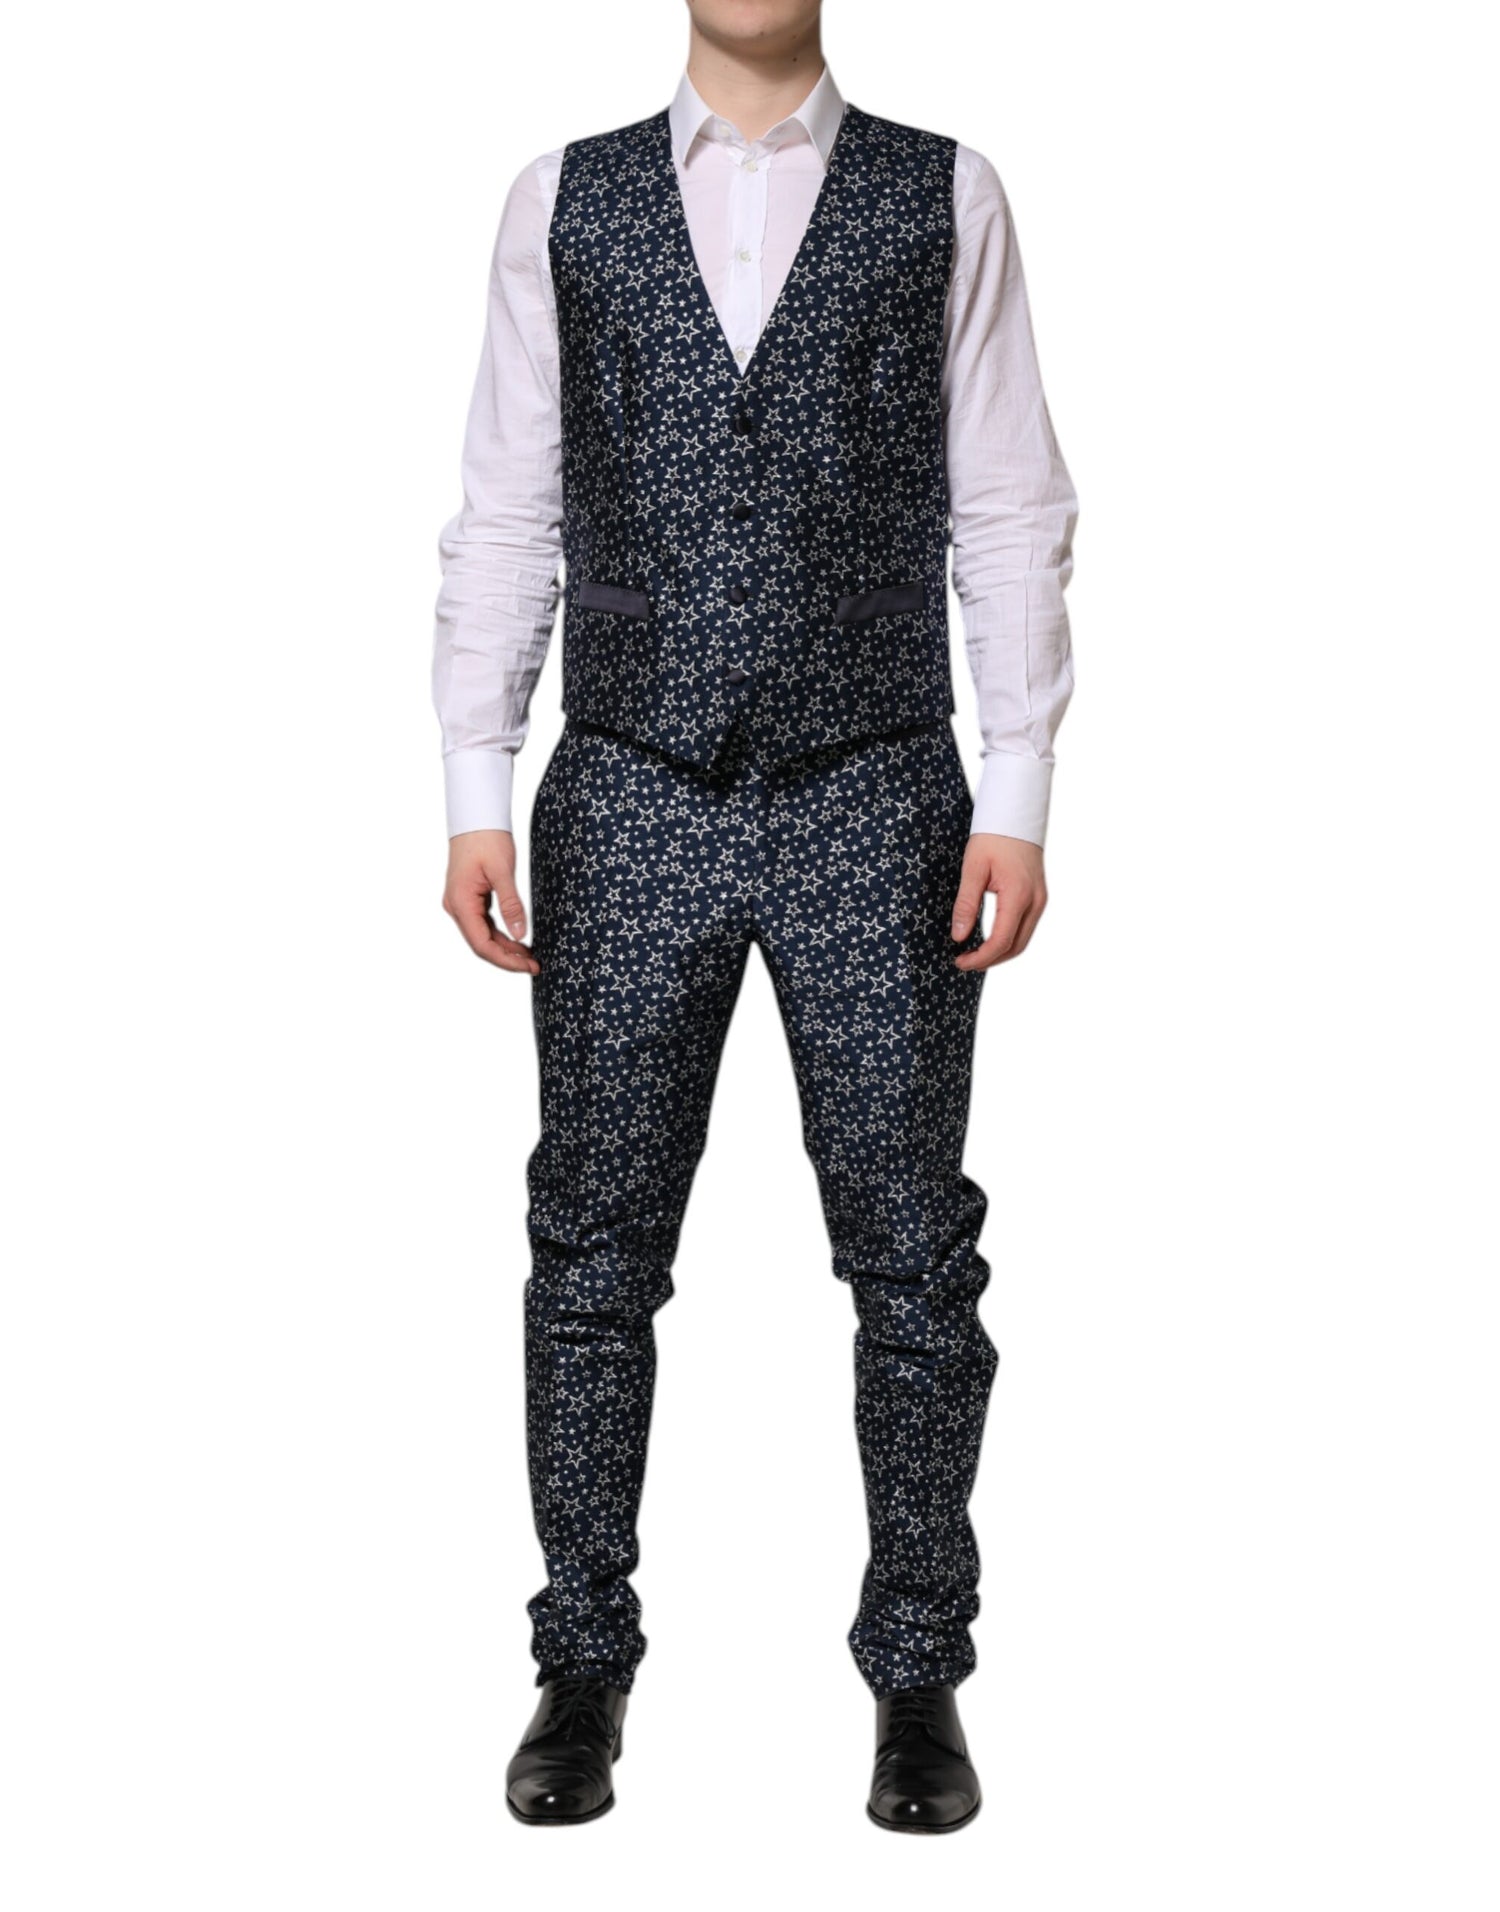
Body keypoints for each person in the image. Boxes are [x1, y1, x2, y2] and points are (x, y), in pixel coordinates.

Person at [431, 0, 1077, 1834]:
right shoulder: (560, 201)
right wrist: (476, 776)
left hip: (877, 791)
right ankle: (581, 1661)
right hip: (628, 787)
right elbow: (509, 507)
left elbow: (1008, 503)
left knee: (915, 1261)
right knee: (590, 1253)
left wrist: (1018, 788)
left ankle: (919, 1673)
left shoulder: (947, 196)